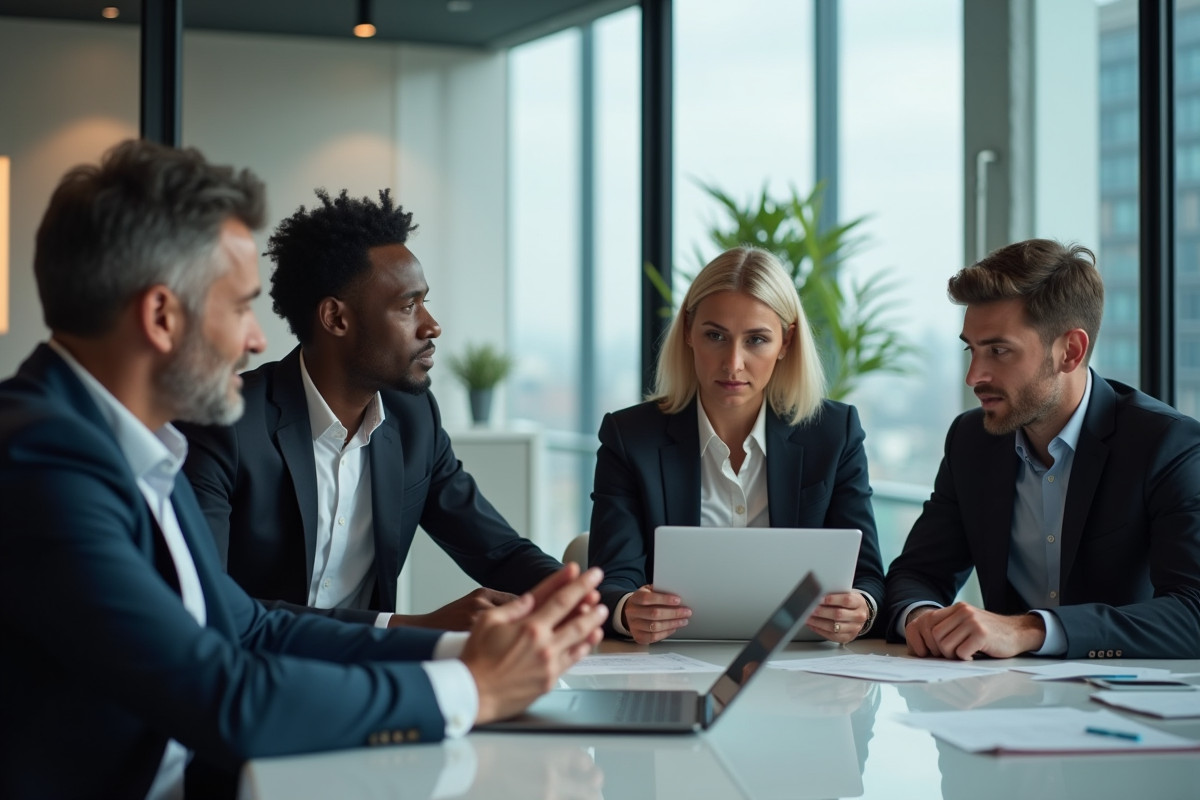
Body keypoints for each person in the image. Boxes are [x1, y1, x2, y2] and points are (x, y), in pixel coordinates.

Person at [0, 139, 607, 799]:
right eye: (238, 307)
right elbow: (225, 696)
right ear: (161, 316)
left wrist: (467, 653)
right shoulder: (41, 463)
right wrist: (473, 687)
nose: (258, 338)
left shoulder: (137, 445)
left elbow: (250, 626)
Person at [177, 188, 563, 632]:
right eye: (407, 306)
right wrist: (405, 626)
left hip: (372, 677)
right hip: (254, 679)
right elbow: (208, 603)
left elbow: (500, 553)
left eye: (425, 302)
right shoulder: (225, 421)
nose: (431, 325)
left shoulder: (414, 420)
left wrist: (610, 605)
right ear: (336, 319)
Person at [885, 238, 1200, 661]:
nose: (974, 375)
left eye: (999, 350)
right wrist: (921, 617)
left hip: (1122, 704)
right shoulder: (971, 440)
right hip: (1003, 702)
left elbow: (1191, 613)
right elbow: (918, 573)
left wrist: (1030, 630)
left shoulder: (1167, 444)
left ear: (1070, 351)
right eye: (971, 349)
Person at [588, 246, 885, 645]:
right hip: (666, 667)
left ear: (786, 341)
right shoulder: (630, 437)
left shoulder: (833, 433)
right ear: (689, 331)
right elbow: (613, 576)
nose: (733, 363)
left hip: (803, 672)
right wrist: (628, 609)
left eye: (756, 340)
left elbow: (867, 577)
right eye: (715, 336)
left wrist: (861, 608)